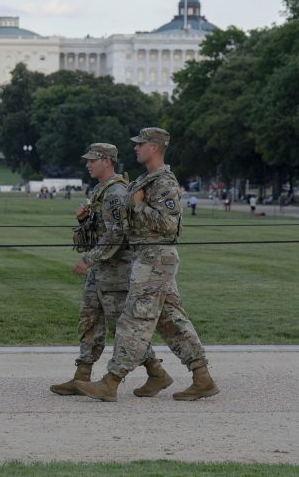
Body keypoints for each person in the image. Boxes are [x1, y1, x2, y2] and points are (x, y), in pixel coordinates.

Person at [76, 128, 218, 402]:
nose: (135, 148)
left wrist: (139, 206)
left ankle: (111, 381)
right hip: (146, 258)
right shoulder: (144, 180)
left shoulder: (163, 182)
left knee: (133, 320)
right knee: (171, 321)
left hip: (156, 258)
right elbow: (124, 225)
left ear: (154, 147)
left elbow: (170, 225)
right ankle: (202, 377)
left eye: (140, 144)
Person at [51, 143, 169, 397]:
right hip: (102, 270)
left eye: (92, 160)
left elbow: (117, 234)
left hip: (117, 271)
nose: (88, 164)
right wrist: (84, 221)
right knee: (89, 320)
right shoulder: (100, 191)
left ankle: (156, 372)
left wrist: (89, 259)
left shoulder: (115, 192)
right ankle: (81, 375)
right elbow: (99, 231)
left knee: (121, 328)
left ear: (107, 161)